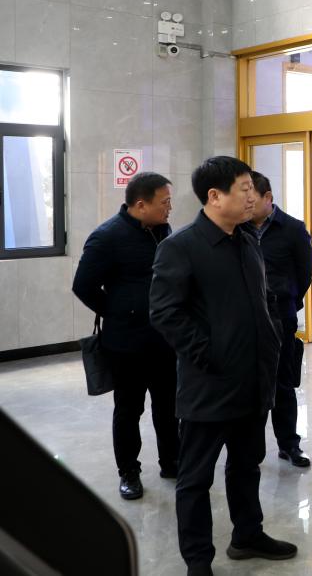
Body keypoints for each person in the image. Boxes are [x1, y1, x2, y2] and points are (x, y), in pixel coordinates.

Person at [150, 156, 297, 576]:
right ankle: (198, 561)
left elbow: (264, 298)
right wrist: (211, 355)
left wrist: (271, 338)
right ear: (215, 196)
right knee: (195, 478)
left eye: (253, 188)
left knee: (247, 464)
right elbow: (165, 313)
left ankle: (247, 535)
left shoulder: (247, 239)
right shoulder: (180, 247)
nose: (253, 196)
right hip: (209, 384)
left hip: (254, 380)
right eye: (245, 188)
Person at [72, 172, 180, 501]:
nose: (169, 208)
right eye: (164, 202)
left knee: (168, 406)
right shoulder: (107, 237)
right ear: (140, 204)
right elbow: (83, 285)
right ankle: (129, 472)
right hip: (127, 344)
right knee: (129, 410)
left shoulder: (162, 231)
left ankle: (172, 462)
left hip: (165, 340)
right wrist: (118, 311)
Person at [245, 172, 312, 468]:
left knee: (283, 383)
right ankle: (249, 447)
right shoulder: (238, 227)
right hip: (246, 320)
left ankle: (289, 444)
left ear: (268, 198)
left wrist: (289, 299)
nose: (247, 205)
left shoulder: (292, 228)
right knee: (249, 385)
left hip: (281, 318)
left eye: (252, 200)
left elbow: (305, 271)